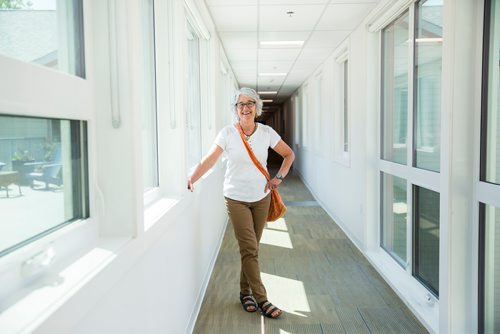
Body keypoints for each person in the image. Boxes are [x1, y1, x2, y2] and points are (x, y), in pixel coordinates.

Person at [187, 87, 295, 319]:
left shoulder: (266, 132)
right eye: (240, 104)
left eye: (249, 103)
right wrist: (192, 177)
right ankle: (262, 298)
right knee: (249, 248)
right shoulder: (227, 134)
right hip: (236, 199)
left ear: (257, 107)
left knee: (252, 249)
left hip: (261, 198)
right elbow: (210, 159)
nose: (245, 108)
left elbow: (288, 155)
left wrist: (278, 178)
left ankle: (244, 292)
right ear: (235, 110)